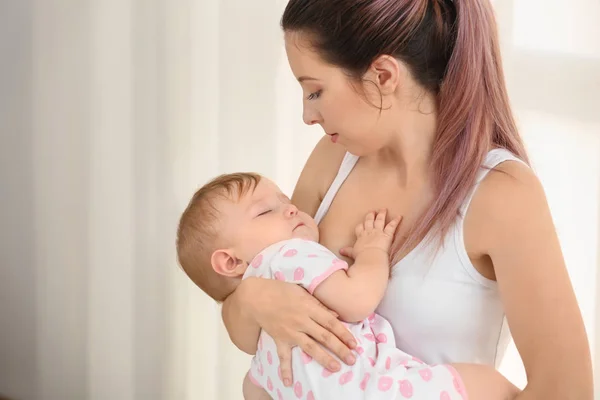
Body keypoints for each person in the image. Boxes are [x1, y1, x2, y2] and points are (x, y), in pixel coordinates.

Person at [222, 0, 593, 398]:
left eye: (315, 91)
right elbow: (254, 334)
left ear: (382, 75)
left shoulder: (501, 195)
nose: (307, 117)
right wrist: (253, 296)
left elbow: (567, 390)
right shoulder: (332, 162)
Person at [176, 172, 519, 399]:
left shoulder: (261, 350)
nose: (291, 209)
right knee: (492, 387)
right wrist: (372, 251)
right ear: (230, 262)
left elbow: (254, 393)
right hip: (379, 392)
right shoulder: (287, 256)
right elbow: (356, 299)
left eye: (286, 201)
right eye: (266, 211)